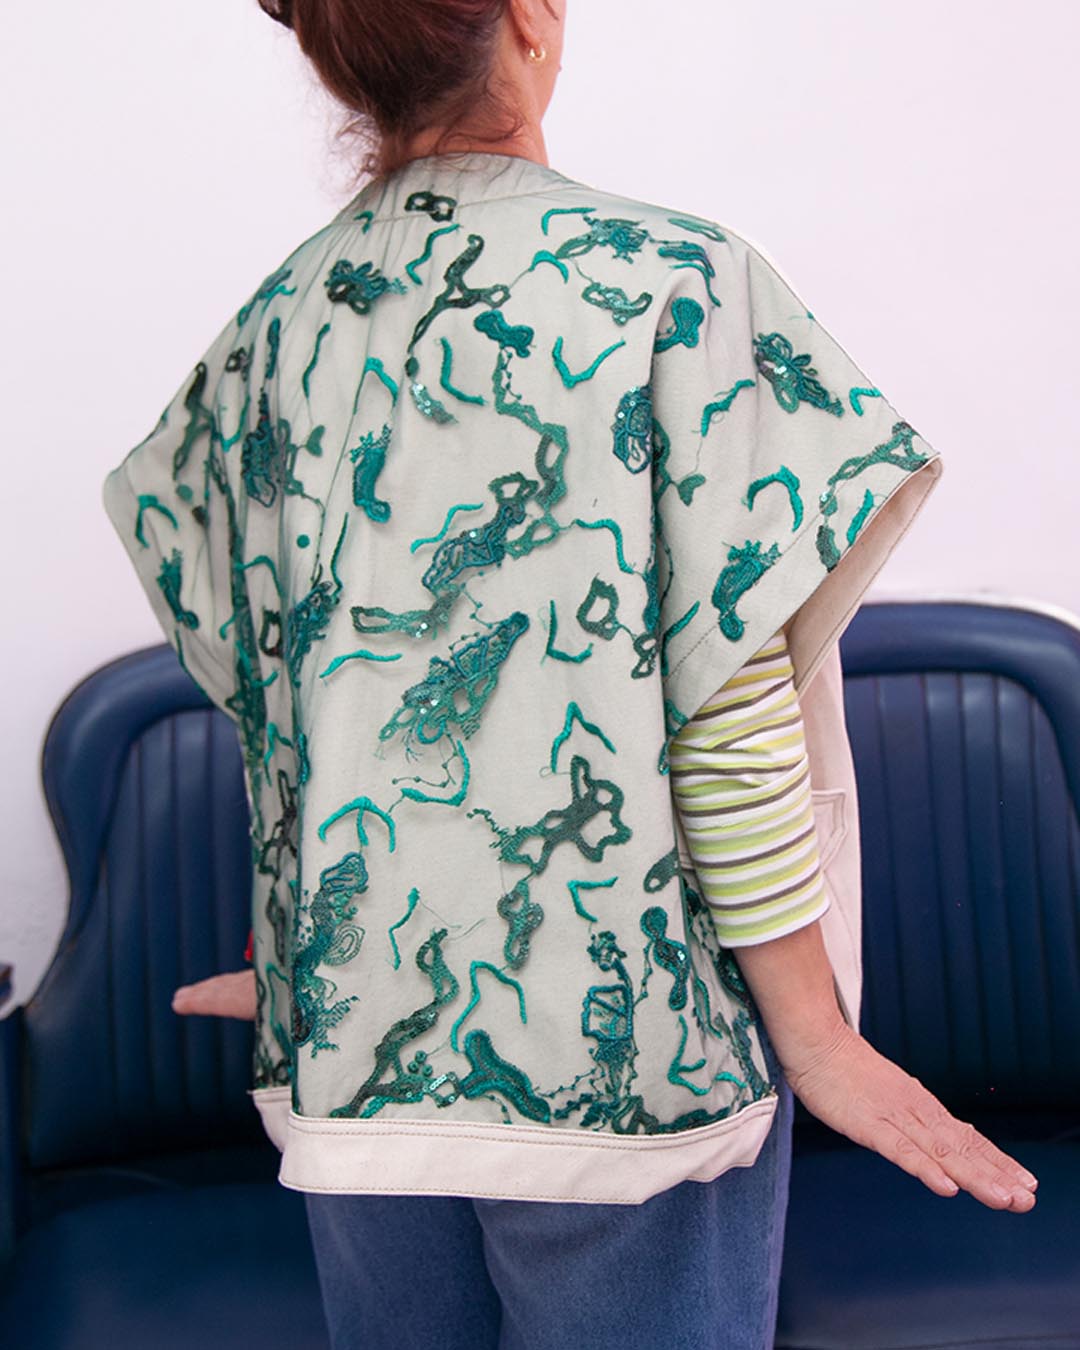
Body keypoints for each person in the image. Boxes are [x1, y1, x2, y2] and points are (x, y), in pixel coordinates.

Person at [103, 2, 1039, 1346]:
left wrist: (331, 938)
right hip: (629, 1075)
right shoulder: (672, 283)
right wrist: (818, 1038)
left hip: (354, 1064)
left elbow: (288, 677)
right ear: (531, 22)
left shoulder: (277, 328)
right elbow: (720, 701)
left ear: (332, 54)